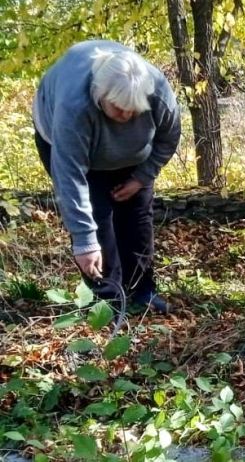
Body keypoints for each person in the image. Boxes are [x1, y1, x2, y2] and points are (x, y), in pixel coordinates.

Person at [33, 40, 181, 314]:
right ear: (100, 94)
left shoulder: (156, 90)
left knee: (137, 219)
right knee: (98, 223)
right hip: (78, 158)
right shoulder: (74, 105)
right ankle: (109, 305)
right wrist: (84, 241)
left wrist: (141, 177)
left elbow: (169, 137)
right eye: (118, 108)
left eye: (133, 109)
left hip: (136, 158)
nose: (125, 115)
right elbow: (69, 176)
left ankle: (141, 292)